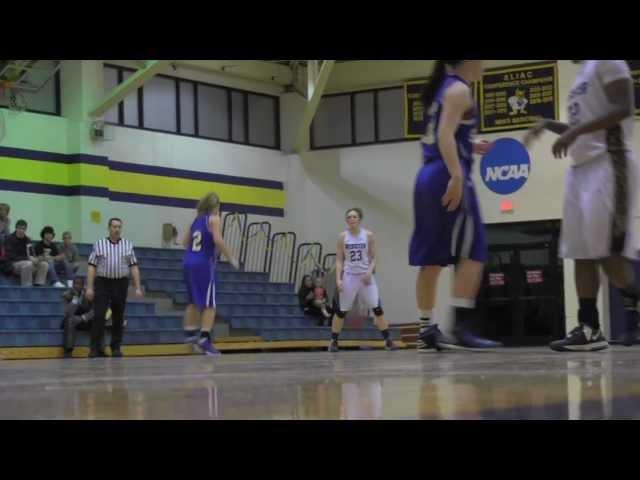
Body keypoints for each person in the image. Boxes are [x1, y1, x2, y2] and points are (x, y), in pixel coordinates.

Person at [524, 60, 640, 351]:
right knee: (579, 252)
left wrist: (574, 133)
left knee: (609, 256)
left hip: (609, 163)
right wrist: (548, 125)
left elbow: (624, 107)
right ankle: (589, 329)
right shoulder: (582, 76)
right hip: (580, 170)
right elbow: (583, 129)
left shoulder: (609, 62)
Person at [410, 60, 503, 352]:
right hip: (447, 174)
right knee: (474, 250)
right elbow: (444, 135)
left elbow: (445, 132)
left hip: (428, 175)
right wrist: (457, 175)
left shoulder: (444, 87)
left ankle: (427, 329)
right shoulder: (460, 89)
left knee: (433, 258)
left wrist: (471, 143)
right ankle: (462, 328)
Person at [328, 207, 395, 352]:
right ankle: (333, 341)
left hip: (365, 277)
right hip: (349, 276)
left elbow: (374, 257)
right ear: (346, 220)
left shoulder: (368, 235)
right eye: (349, 217)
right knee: (341, 311)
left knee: (377, 308)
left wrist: (370, 272)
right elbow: (339, 260)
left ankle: (388, 340)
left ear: (359, 219)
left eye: (354, 216)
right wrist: (338, 279)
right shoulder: (342, 237)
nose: (351, 219)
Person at [182, 192, 239, 356]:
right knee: (210, 304)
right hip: (203, 264)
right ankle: (205, 340)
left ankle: (191, 337)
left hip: (188, 261)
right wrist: (231, 258)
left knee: (192, 302)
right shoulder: (214, 218)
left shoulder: (195, 220)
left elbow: (185, 242)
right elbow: (218, 240)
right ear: (216, 206)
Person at [85, 218, 144, 358]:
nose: (117, 229)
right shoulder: (99, 244)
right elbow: (91, 267)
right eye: (114, 226)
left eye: (119, 227)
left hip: (120, 283)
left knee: (118, 316)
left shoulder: (128, 245)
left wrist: (137, 287)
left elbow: (134, 267)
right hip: (102, 283)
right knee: (99, 315)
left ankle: (116, 347)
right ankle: (95, 348)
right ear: (109, 228)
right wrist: (89, 287)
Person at [4, 219, 48, 287]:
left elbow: (32, 254)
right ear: (16, 228)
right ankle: (27, 286)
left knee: (44, 264)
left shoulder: (28, 240)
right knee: (28, 263)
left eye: (23, 229)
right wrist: (28, 259)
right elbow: (11, 256)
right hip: (13, 265)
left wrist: (37, 259)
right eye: (20, 228)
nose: (21, 230)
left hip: (28, 263)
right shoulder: (9, 239)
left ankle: (39, 285)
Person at [60, 277, 94, 359]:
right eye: (75, 284)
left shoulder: (88, 294)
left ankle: (98, 349)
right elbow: (68, 312)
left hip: (85, 319)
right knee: (69, 320)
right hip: (72, 319)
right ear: (72, 285)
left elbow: (95, 310)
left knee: (99, 320)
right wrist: (75, 298)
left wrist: (83, 317)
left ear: (83, 286)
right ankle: (68, 350)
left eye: (79, 284)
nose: (77, 286)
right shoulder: (66, 295)